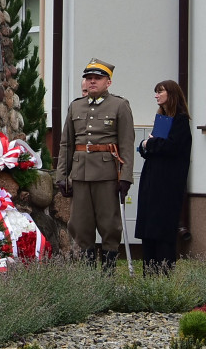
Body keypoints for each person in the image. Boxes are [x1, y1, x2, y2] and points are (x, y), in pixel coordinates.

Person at [55, 58, 135, 272]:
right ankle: (88, 276)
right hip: (80, 175)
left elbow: (126, 144)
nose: (92, 82)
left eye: (97, 78)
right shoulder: (76, 106)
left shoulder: (119, 105)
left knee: (109, 225)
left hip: (107, 175)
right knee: (80, 226)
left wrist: (126, 176)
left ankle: (108, 273)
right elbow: (66, 143)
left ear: (108, 82)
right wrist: (61, 175)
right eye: (89, 78)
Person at [134, 79, 192, 275]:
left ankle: (164, 277)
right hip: (152, 181)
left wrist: (149, 144)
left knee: (162, 230)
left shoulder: (181, 121)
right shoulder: (162, 119)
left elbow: (171, 148)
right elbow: (153, 147)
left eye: (160, 91)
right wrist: (145, 146)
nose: (156, 95)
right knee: (148, 230)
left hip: (168, 185)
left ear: (172, 94)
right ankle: (149, 275)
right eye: (156, 91)